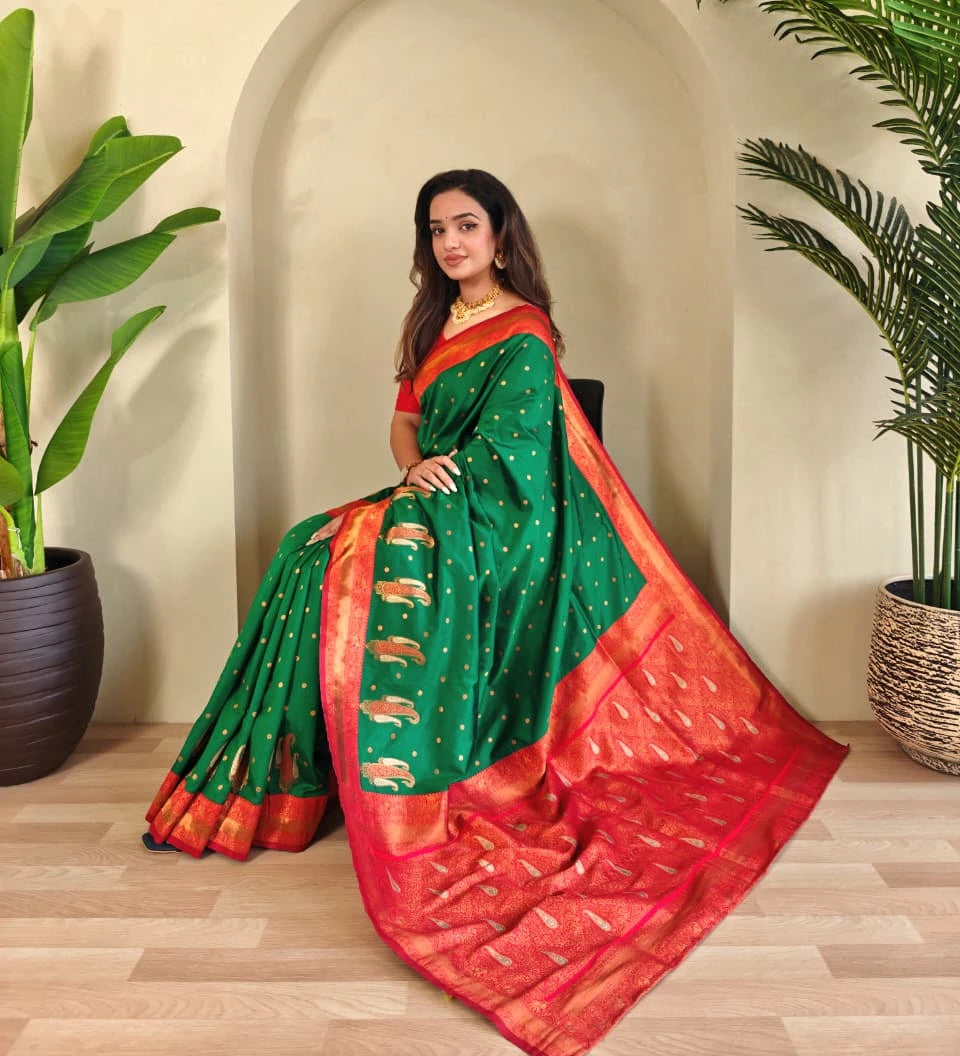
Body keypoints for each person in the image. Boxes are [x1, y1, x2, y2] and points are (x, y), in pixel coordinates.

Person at [144, 168, 846, 1056]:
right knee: (301, 549)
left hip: (502, 515)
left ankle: (406, 778)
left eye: (466, 225)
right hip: (428, 495)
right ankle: (278, 784)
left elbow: (515, 457)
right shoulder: (433, 323)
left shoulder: (523, 333)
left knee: (367, 555)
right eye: (436, 229)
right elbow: (405, 424)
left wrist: (429, 497)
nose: (450, 243)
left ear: (501, 235)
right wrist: (407, 474)